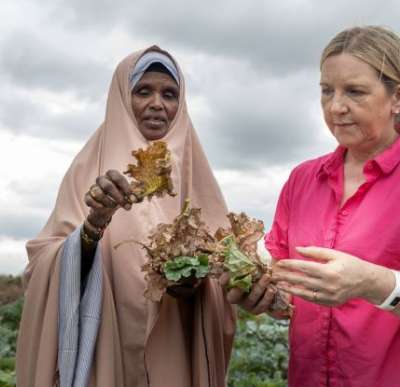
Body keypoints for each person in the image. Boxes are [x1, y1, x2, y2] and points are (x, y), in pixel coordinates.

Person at [225, 26, 400, 386]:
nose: (336, 106)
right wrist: (262, 296)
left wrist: (375, 283)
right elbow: (293, 298)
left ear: (398, 98)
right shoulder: (302, 181)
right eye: (327, 91)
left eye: (354, 92)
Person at [16, 46, 236, 387]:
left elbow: (227, 268)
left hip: (173, 347)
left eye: (169, 94)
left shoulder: (195, 174)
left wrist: (195, 283)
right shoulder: (89, 168)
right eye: (143, 91)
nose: (157, 104)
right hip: (106, 344)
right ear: (121, 96)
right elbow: (43, 263)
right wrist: (92, 227)